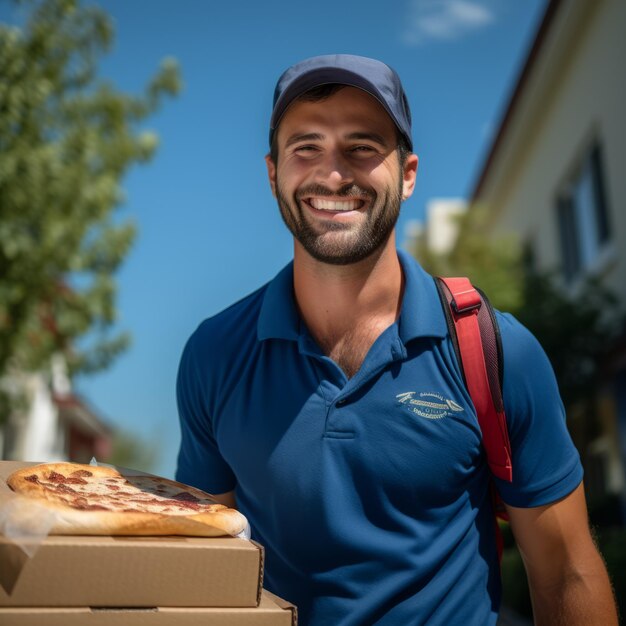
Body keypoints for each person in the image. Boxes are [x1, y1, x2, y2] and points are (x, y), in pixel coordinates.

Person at [176, 54, 617, 625]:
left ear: (408, 175)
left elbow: (565, 574)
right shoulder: (215, 354)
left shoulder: (494, 350)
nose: (333, 174)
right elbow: (204, 566)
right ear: (272, 173)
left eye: (361, 147)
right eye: (305, 147)